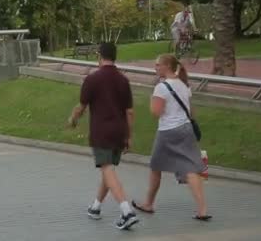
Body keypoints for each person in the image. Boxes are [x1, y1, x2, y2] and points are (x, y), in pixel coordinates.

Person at [67, 43, 138, 230]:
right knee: (109, 169)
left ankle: (126, 211)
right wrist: (129, 136)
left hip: (102, 132)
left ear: (99, 56)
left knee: (106, 168)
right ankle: (96, 207)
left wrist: (73, 119)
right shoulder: (123, 80)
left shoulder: (92, 79)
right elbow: (129, 112)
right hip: (119, 131)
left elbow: (81, 107)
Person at [132, 54, 211, 221]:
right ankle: (202, 210)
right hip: (186, 129)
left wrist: (151, 100)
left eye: (157, 65)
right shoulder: (183, 84)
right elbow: (191, 112)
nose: (155, 68)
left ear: (167, 66)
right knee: (191, 169)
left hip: (168, 132)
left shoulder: (161, 87)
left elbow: (156, 112)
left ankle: (149, 204)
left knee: (155, 167)